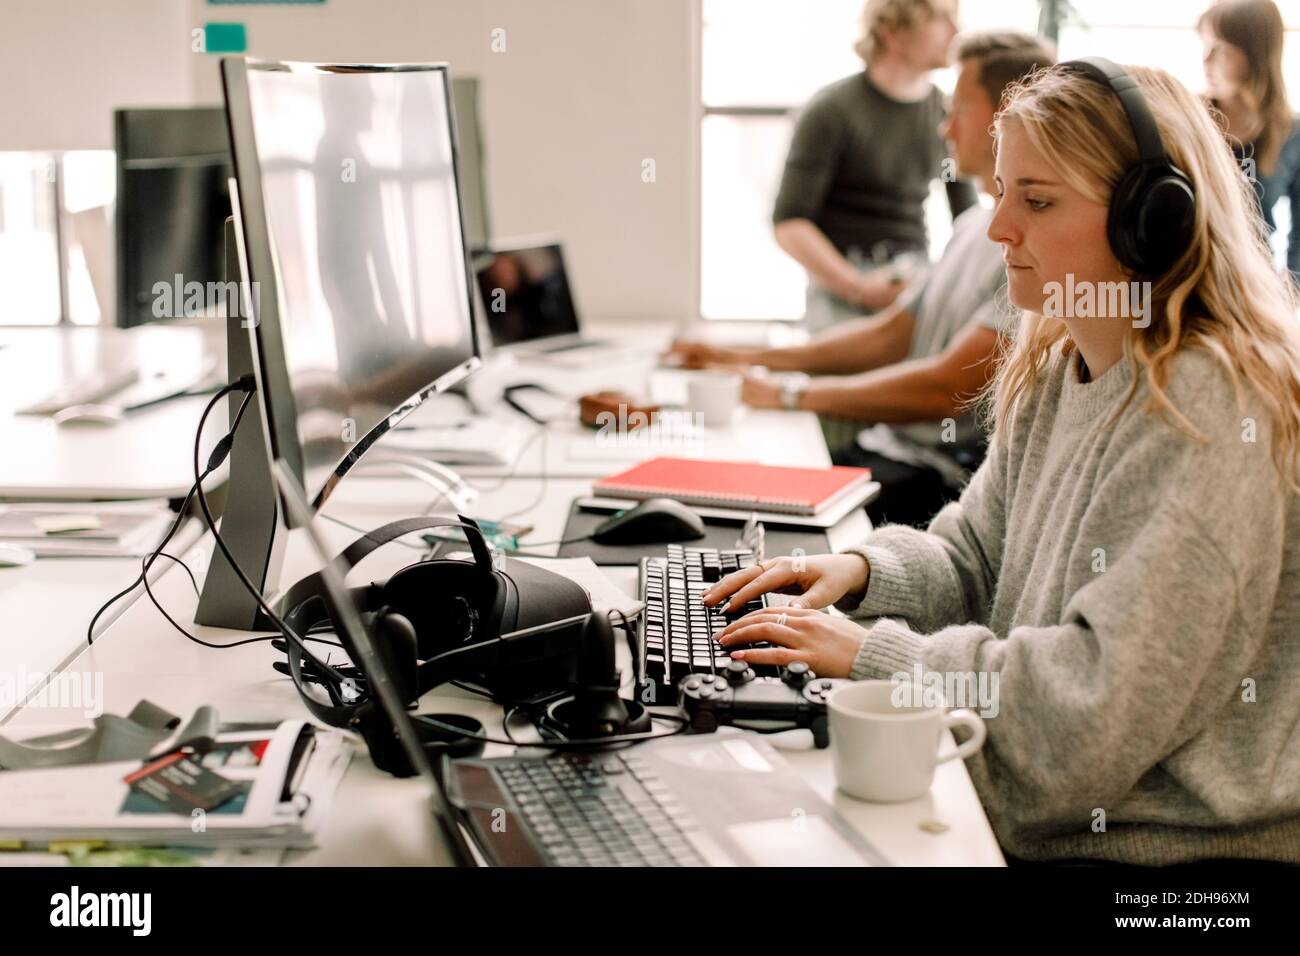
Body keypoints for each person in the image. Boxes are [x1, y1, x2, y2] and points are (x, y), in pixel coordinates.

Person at [700, 62, 1300, 864]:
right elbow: (975, 553)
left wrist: (876, 655)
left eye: (1039, 201)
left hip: (1170, 867)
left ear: (1151, 220)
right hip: (1048, 817)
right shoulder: (1065, 358)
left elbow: (1090, 714)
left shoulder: (1204, 409)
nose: (998, 229)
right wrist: (858, 572)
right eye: (1003, 193)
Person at [669, 32, 1055, 529]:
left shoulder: (1022, 245)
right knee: (713, 486)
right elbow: (892, 334)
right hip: (882, 452)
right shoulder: (968, 228)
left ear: (1009, 114)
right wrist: (744, 358)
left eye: (958, 109)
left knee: (730, 511)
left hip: (925, 480)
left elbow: (947, 390)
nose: (944, 128)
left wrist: (788, 394)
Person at [772, 0, 977, 331]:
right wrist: (858, 288)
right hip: (842, 283)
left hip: (913, 277)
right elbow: (790, 223)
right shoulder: (830, 112)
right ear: (892, 31)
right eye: (941, 19)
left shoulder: (945, 115)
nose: (957, 32)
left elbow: (966, 217)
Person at [1200, 0, 1300, 283]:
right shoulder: (1190, 119)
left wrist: (1290, 289)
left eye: (1219, 49)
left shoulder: (1292, 133)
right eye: (1204, 45)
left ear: (1256, 54)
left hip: (1254, 285)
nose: (1205, 59)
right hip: (1189, 282)